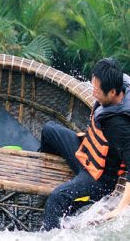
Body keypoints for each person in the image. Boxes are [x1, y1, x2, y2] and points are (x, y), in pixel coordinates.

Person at [40, 58, 130, 231]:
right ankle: (43, 170)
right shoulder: (121, 84)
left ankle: (48, 233)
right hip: (85, 151)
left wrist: (120, 208)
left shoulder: (119, 125)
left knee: (56, 198)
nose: (93, 92)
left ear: (112, 92)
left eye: (97, 89)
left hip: (97, 179)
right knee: (48, 129)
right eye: (93, 84)